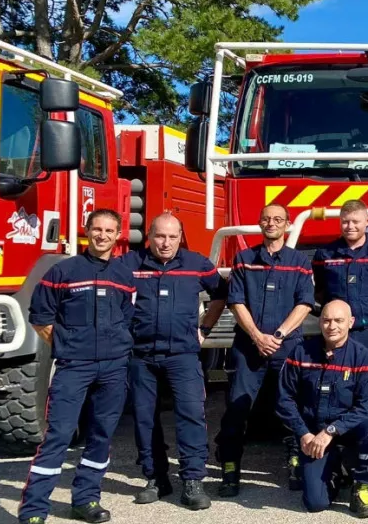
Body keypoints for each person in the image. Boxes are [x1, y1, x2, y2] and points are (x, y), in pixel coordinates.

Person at [19, 210, 136, 524]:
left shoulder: (124, 275)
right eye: (97, 229)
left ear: (118, 234)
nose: (102, 236)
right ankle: (33, 511)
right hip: (74, 368)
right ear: (87, 231)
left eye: (109, 230)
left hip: (113, 368)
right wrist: (67, 347)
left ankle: (86, 500)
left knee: (101, 435)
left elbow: (127, 317)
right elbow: (40, 317)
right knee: (57, 436)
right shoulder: (63, 271)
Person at [116, 213, 227, 510]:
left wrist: (204, 328)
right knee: (144, 418)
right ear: (149, 236)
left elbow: (221, 293)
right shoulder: (129, 264)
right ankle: (156, 477)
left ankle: (192, 481)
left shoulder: (196, 264)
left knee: (190, 414)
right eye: (160, 237)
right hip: (141, 356)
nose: (166, 243)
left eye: (172, 237)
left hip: (183, 355)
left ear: (181, 237)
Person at [214, 203, 316, 496]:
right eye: (266, 218)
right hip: (249, 347)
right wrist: (258, 336)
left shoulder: (299, 261)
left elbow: (305, 303)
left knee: (294, 408)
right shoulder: (244, 259)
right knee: (237, 408)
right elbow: (236, 302)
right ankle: (230, 469)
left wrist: (279, 335)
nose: (271, 223)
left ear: (287, 226)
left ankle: (297, 462)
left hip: (288, 347)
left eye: (278, 219)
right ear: (260, 223)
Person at [276, 300, 368, 517]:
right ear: (319, 322)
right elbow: (284, 399)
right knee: (315, 503)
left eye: (339, 320)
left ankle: (362, 487)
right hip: (314, 433)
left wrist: (332, 431)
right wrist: (303, 433)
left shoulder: (362, 356)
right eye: (327, 320)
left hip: (349, 430)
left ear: (351, 323)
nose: (332, 326)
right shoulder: (301, 352)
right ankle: (334, 470)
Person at [312, 200, 368, 389]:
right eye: (345, 222)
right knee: (337, 384)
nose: (350, 226)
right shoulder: (325, 254)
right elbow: (319, 291)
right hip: (336, 332)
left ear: (367, 221)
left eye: (355, 221)